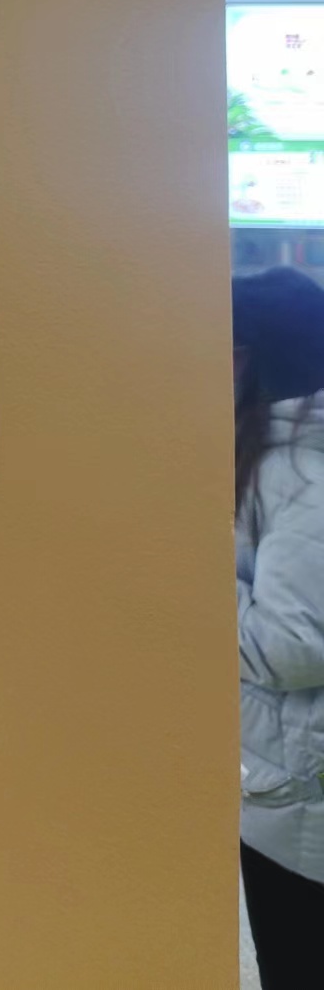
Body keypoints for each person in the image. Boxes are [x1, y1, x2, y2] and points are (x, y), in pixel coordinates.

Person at [234, 265, 324, 988]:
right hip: (287, 788)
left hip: (299, 805)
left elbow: (293, 647)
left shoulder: (301, 471)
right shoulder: (285, 454)